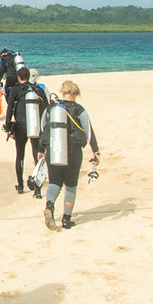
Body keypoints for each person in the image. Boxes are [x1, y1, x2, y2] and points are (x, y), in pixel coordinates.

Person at [38, 80, 100, 230]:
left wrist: (41, 149)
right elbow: (89, 132)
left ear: (62, 92)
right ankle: (66, 220)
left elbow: (43, 128)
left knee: (54, 182)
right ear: (76, 94)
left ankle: (50, 206)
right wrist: (96, 152)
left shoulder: (51, 108)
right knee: (71, 185)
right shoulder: (79, 110)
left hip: (54, 148)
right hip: (73, 150)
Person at [3, 67, 48, 195]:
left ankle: (21, 186)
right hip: (35, 126)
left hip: (20, 126)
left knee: (20, 156)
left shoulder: (15, 90)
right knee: (37, 155)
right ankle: (37, 188)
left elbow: (10, 108)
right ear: (28, 77)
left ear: (18, 77)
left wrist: (8, 126)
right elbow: (45, 109)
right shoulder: (37, 90)